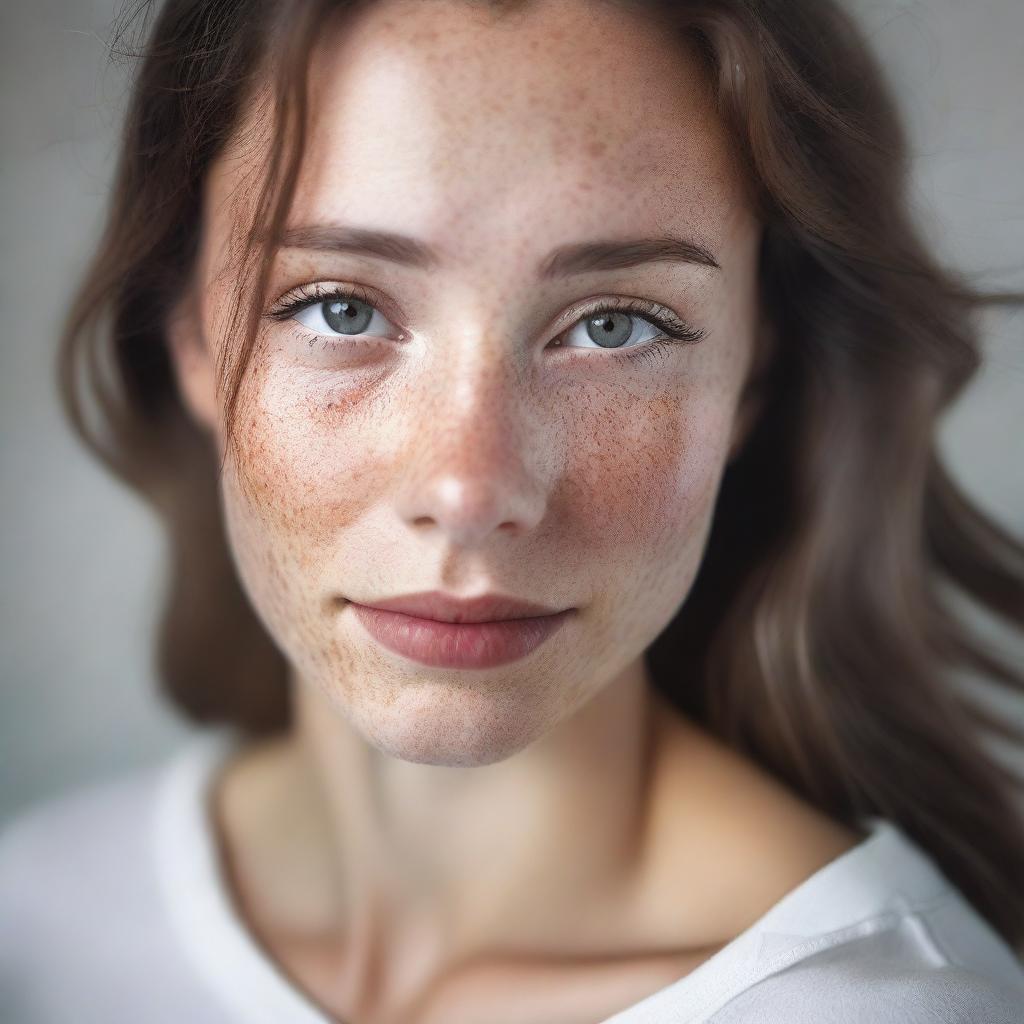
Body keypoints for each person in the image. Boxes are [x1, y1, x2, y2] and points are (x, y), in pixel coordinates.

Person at [2, 0, 1023, 1020]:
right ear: (185, 329)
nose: (470, 491)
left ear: (754, 370)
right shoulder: (35, 929)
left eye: (616, 325)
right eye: (340, 308)